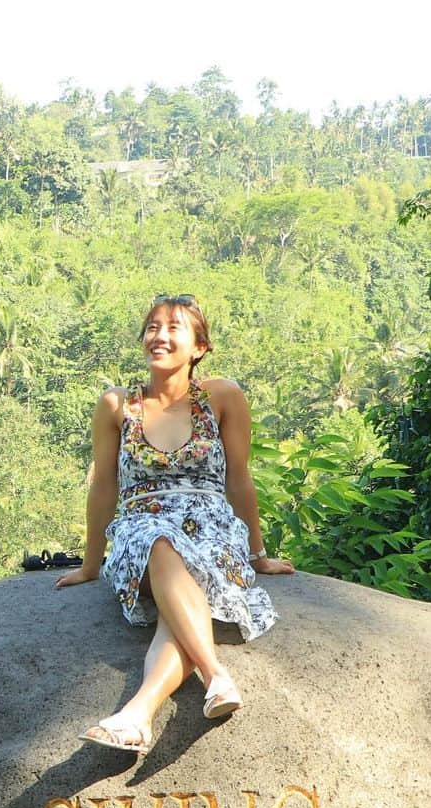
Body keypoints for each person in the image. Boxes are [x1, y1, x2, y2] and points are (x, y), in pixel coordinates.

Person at [56, 294, 293, 751]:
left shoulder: (222, 397)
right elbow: (103, 486)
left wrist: (258, 556)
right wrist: (91, 565)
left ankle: (138, 713)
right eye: (152, 327)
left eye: (173, 328)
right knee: (160, 544)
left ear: (199, 346)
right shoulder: (116, 406)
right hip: (140, 524)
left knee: (175, 607)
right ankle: (216, 674)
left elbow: (239, 478)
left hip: (211, 526)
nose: (159, 337)